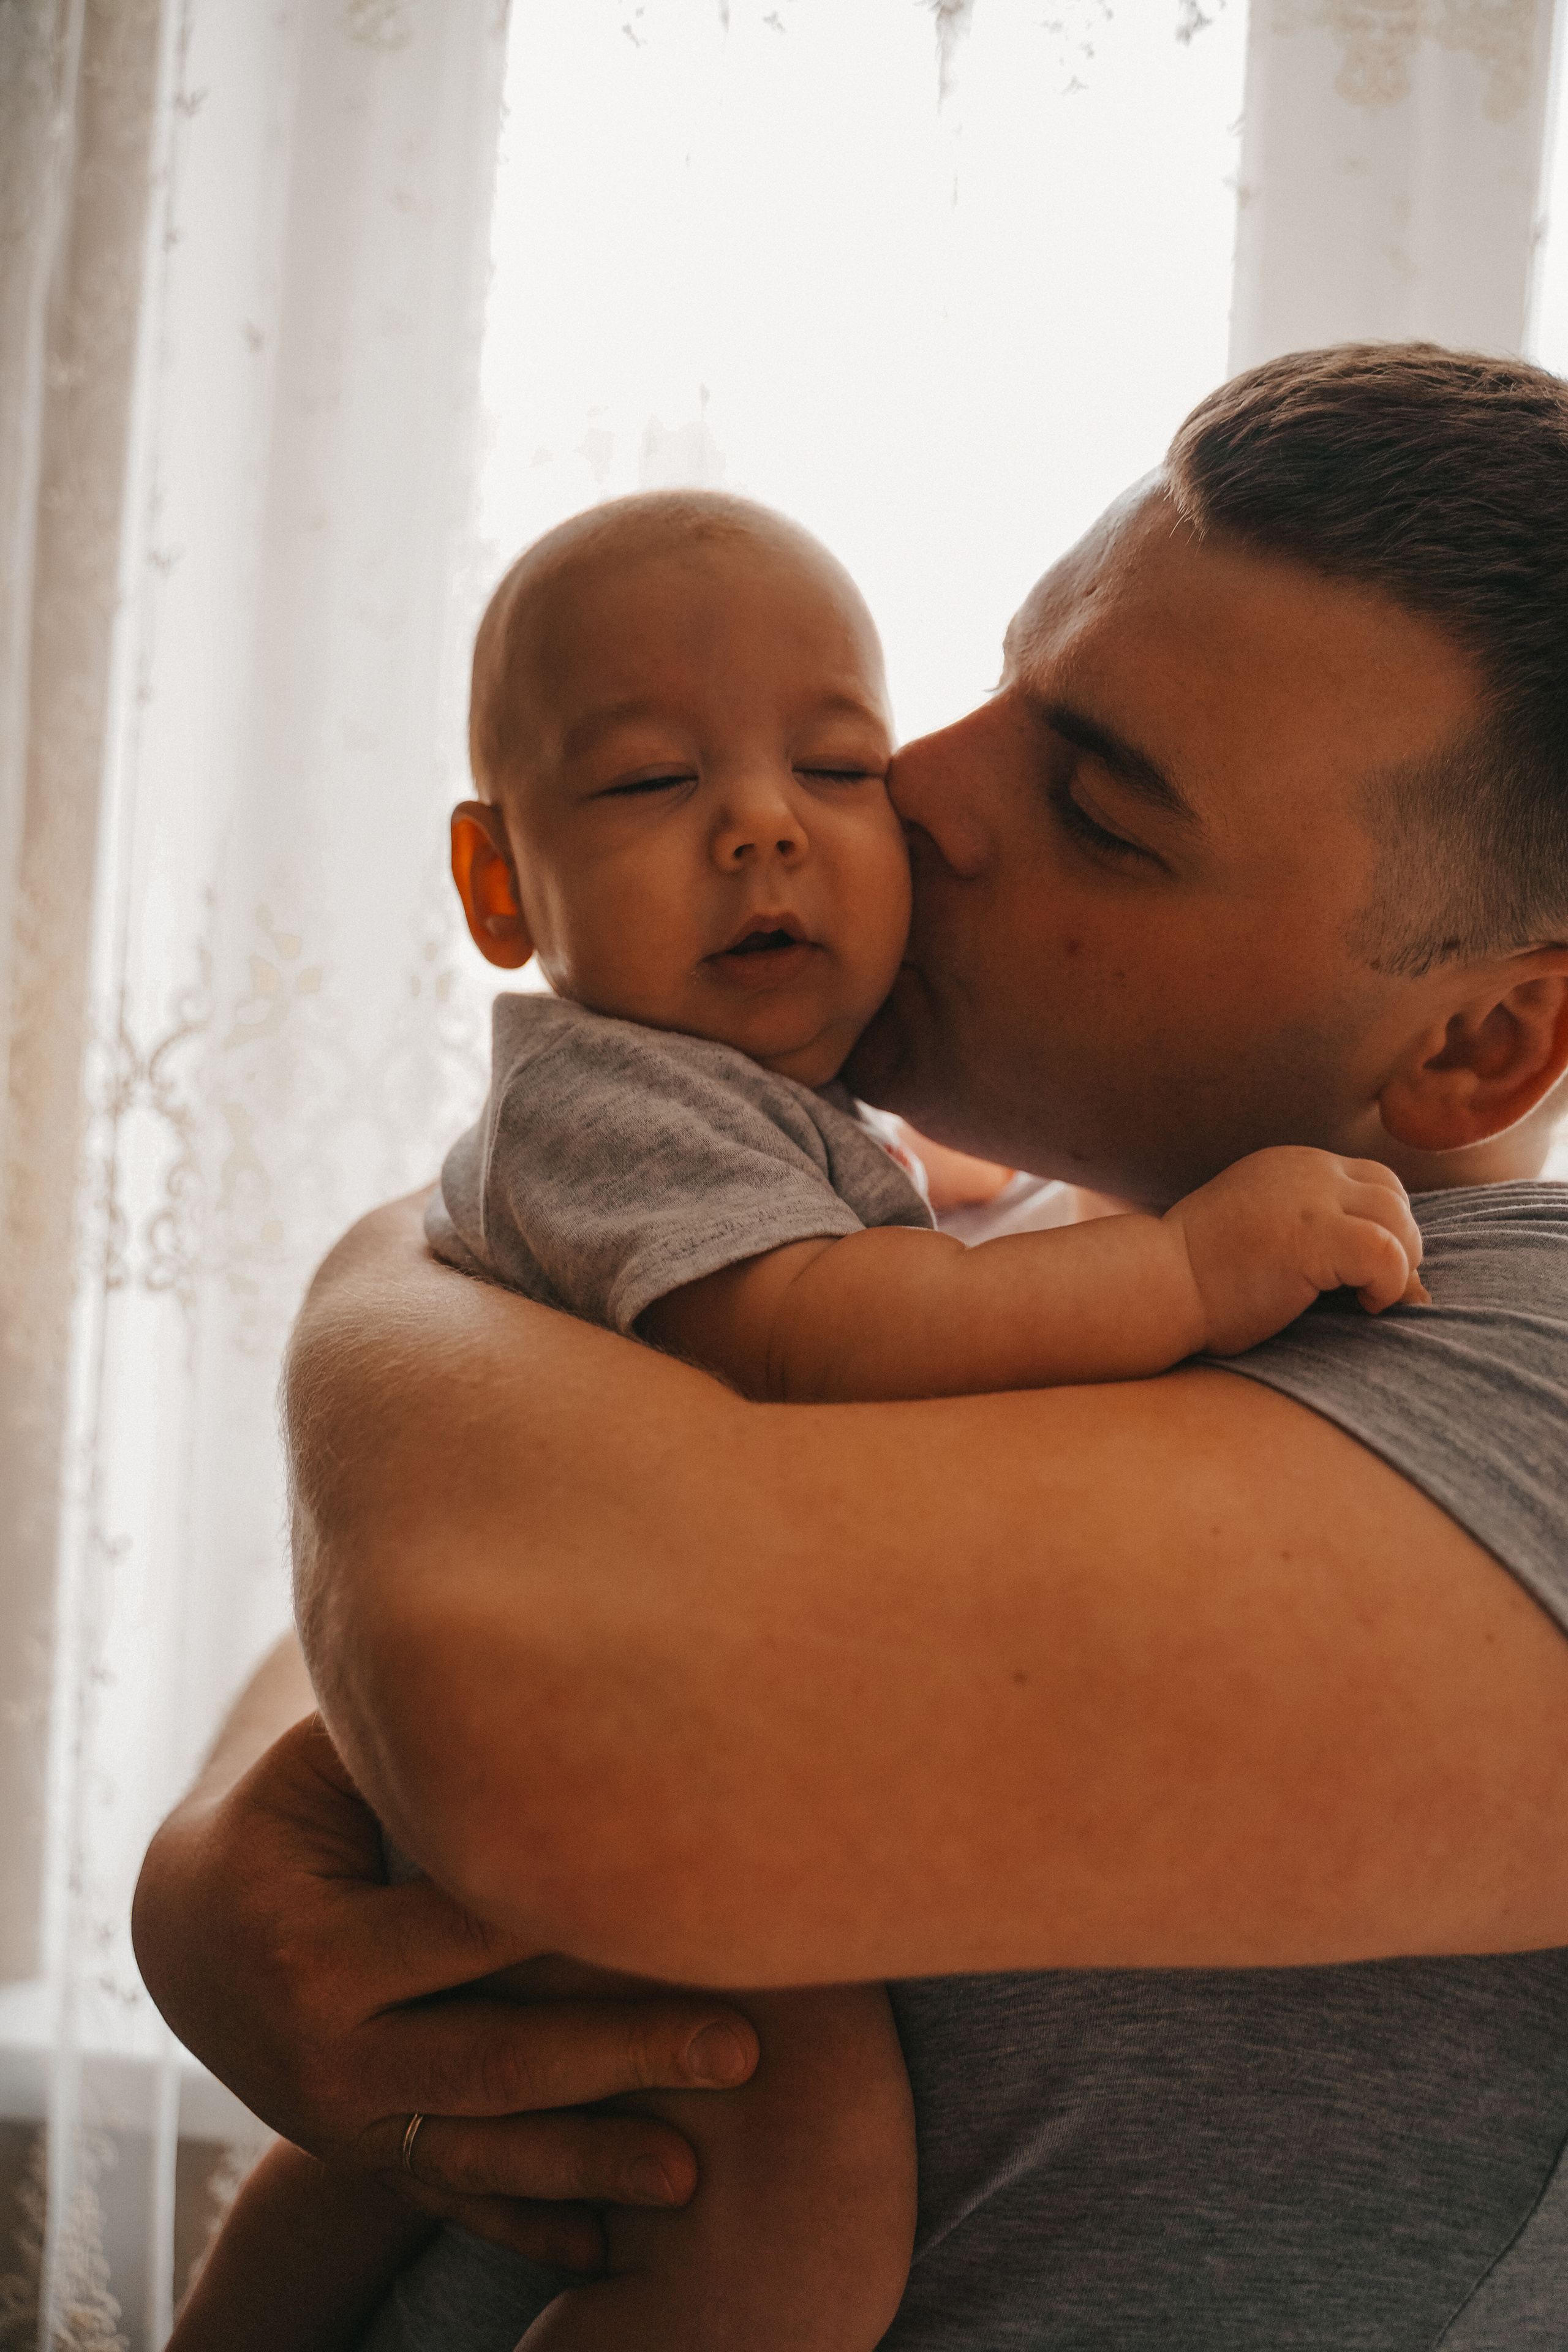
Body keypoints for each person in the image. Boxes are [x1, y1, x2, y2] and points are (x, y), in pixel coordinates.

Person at [135, 343, 1568, 2348]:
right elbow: (441, 1569)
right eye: (991, 690)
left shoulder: (1526, 1365)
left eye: (1097, 806)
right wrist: (231, 1873)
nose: (924, 792)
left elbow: (548, 1697)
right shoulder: (1033, 1228)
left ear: (1480, 1042)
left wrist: (404, 1264)